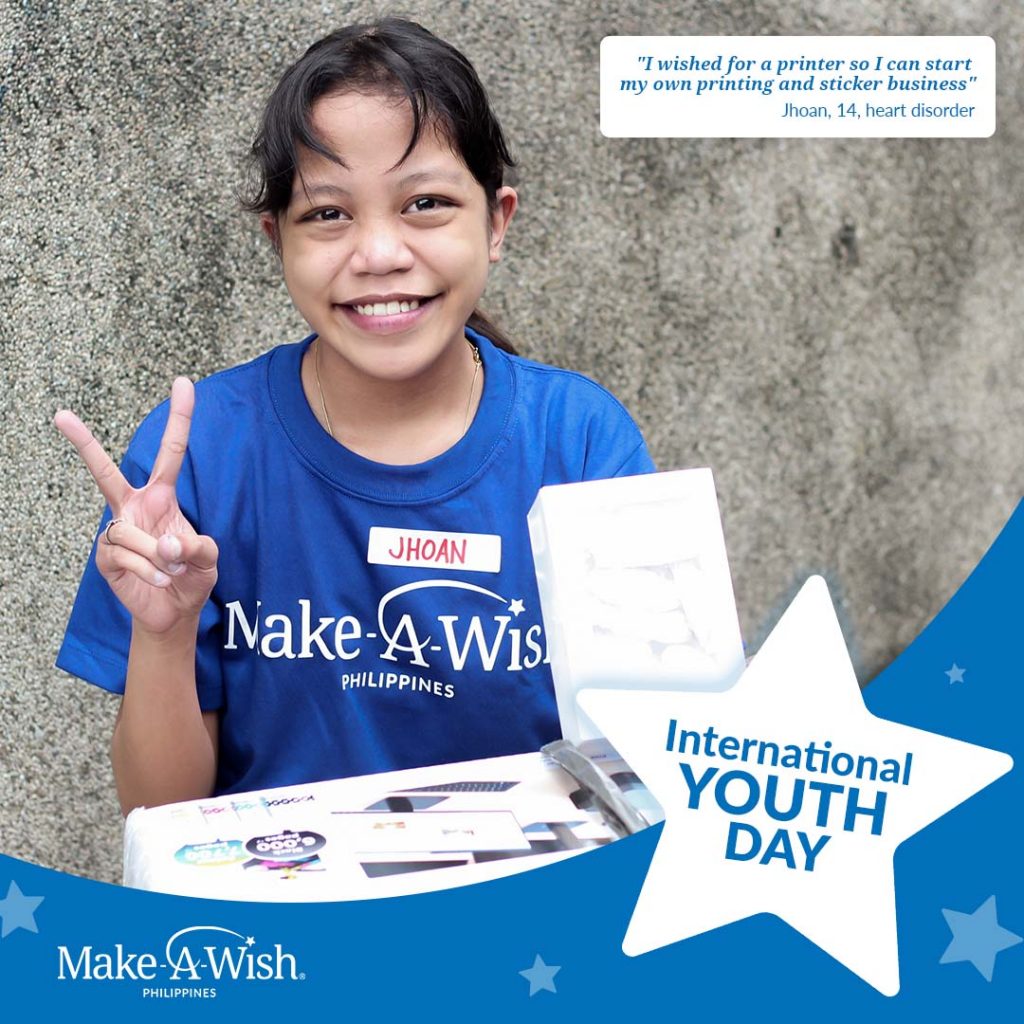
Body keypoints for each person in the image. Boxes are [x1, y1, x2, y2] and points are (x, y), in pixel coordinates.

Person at [55, 18, 654, 814]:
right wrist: (165, 634)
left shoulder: (580, 442)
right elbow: (159, 815)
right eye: (328, 215)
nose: (378, 253)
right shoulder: (204, 453)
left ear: (498, 221)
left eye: (427, 203)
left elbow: (646, 773)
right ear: (277, 240)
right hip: (289, 921)